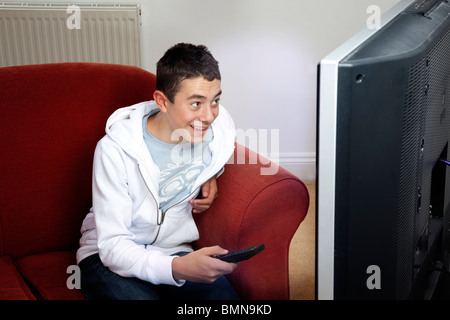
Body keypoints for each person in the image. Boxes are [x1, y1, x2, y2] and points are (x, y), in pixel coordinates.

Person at [76, 43, 239, 300]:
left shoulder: (217, 130)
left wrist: (211, 174)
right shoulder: (114, 150)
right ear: (162, 102)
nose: (209, 116)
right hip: (107, 258)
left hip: (174, 249)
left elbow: (220, 145)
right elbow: (112, 247)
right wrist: (176, 268)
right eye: (196, 103)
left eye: (215, 100)